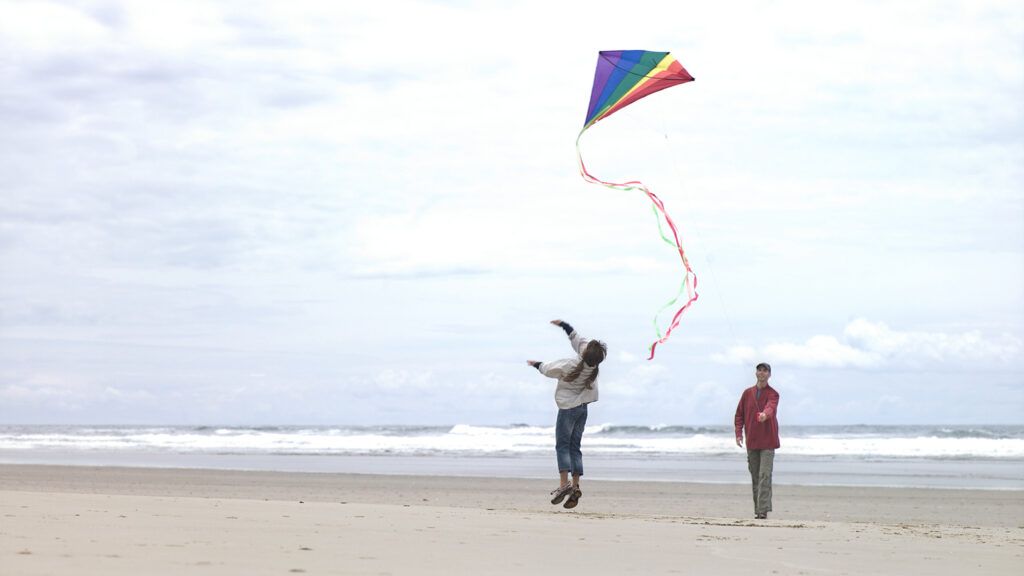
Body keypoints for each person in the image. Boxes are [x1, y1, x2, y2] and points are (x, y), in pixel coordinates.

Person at [527, 319, 607, 509]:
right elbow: (580, 341)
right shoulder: (593, 367)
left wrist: (536, 364)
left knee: (562, 446)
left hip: (568, 409)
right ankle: (576, 486)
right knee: (575, 447)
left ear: (584, 353)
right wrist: (566, 326)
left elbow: (548, 369)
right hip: (582, 410)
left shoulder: (571, 364)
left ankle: (564, 485)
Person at [734, 362, 780, 519]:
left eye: (765, 371)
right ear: (756, 373)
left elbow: (771, 407)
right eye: (759, 370)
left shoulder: (773, 394)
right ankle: (758, 509)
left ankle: (763, 510)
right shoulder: (747, 393)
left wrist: (764, 415)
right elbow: (739, 414)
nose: (762, 373)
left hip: (768, 442)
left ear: (769, 374)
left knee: (764, 475)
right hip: (752, 441)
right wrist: (738, 433)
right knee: (755, 476)